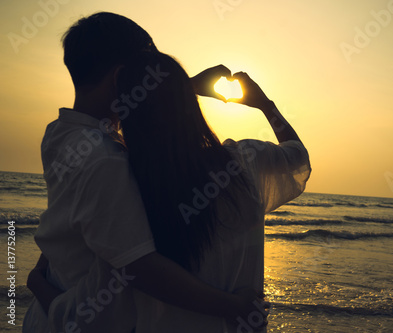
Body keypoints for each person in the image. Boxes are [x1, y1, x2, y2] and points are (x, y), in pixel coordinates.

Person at [23, 12, 266, 333]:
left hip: (52, 311)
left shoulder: (60, 133)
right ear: (121, 77)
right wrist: (233, 306)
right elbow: (142, 269)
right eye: (146, 74)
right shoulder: (105, 160)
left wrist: (184, 87)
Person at [116, 51, 311, 332]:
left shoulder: (122, 174)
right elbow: (298, 157)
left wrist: (184, 88)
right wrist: (265, 105)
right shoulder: (242, 164)